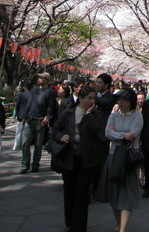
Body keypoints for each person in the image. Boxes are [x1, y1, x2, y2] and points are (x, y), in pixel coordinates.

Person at [52, 85, 103, 232]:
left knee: (82, 193)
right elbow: (55, 129)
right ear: (80, 98)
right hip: (69, 157)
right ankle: (69, 223)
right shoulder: (68, 113)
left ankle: (79, 226)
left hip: (86, 159)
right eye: (88, 98)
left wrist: (88, 114)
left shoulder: (95, 114)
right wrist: (61, 136)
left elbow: (96, 129)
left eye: (93, 98)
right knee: (69, 192)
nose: (91, 101)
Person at [96, 88, 143, 232]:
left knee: (126, 194)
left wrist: (117, 134)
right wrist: (123, 135)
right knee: (114, 194)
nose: (120, 103)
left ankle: (122, 229)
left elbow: (133, 134)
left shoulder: (137, 116)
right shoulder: (114, 116)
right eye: (119, 100)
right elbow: (107, 133)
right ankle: (119, 225)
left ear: (131, 102)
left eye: (124, 100)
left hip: (127, 157)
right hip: (113, 155)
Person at [20, 72, 57, 173]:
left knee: (38, 144)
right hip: (30, 118)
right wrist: (24, 116)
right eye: (39, 78)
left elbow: (50, 106)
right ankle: (25, 164)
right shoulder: (35, 90)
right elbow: (29, 103)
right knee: (25, 143)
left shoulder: (51, 92)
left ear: (46, 80)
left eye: (41, 78)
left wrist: (47, 117)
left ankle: (35, 164)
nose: (39, 79)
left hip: (41, 120)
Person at [13, 81, 32, 151]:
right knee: (27, 133)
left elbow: (17, 105)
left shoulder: (21, 95)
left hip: (21, 115)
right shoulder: (32, 95)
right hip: (29, 116)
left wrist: (15, 114)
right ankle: (25, 145)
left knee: (19, 131)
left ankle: (16, 146)